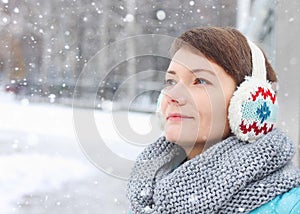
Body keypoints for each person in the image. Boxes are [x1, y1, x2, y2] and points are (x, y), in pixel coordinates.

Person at [127, 27, 300, 213]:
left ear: (251, 103)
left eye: (200, 81)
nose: (172, 95)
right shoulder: (148, 197)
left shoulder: (290, 206)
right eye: (171, 82)